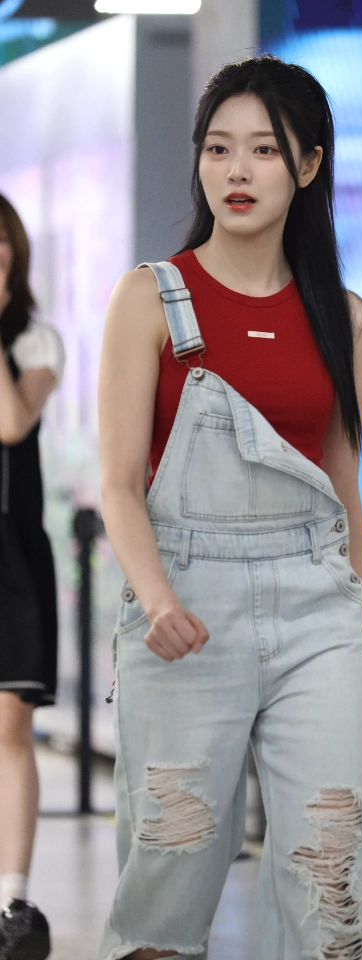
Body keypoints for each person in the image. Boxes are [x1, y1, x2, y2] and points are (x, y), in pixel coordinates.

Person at [97, 56, 362, 960]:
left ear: (309, 165)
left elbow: (341, 499)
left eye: (264, 150)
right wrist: (158, 599)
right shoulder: (151, 296)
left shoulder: (347, 319)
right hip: (184, 613)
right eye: (218, 148)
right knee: (168, 878)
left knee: (330, 877)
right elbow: (118, 483)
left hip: (317, 616)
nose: (236, 170)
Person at [0, 195, 65, 960]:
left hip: (12, 555)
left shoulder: (35, 340)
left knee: (8, 727)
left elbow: (12, 421)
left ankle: (12, 903)